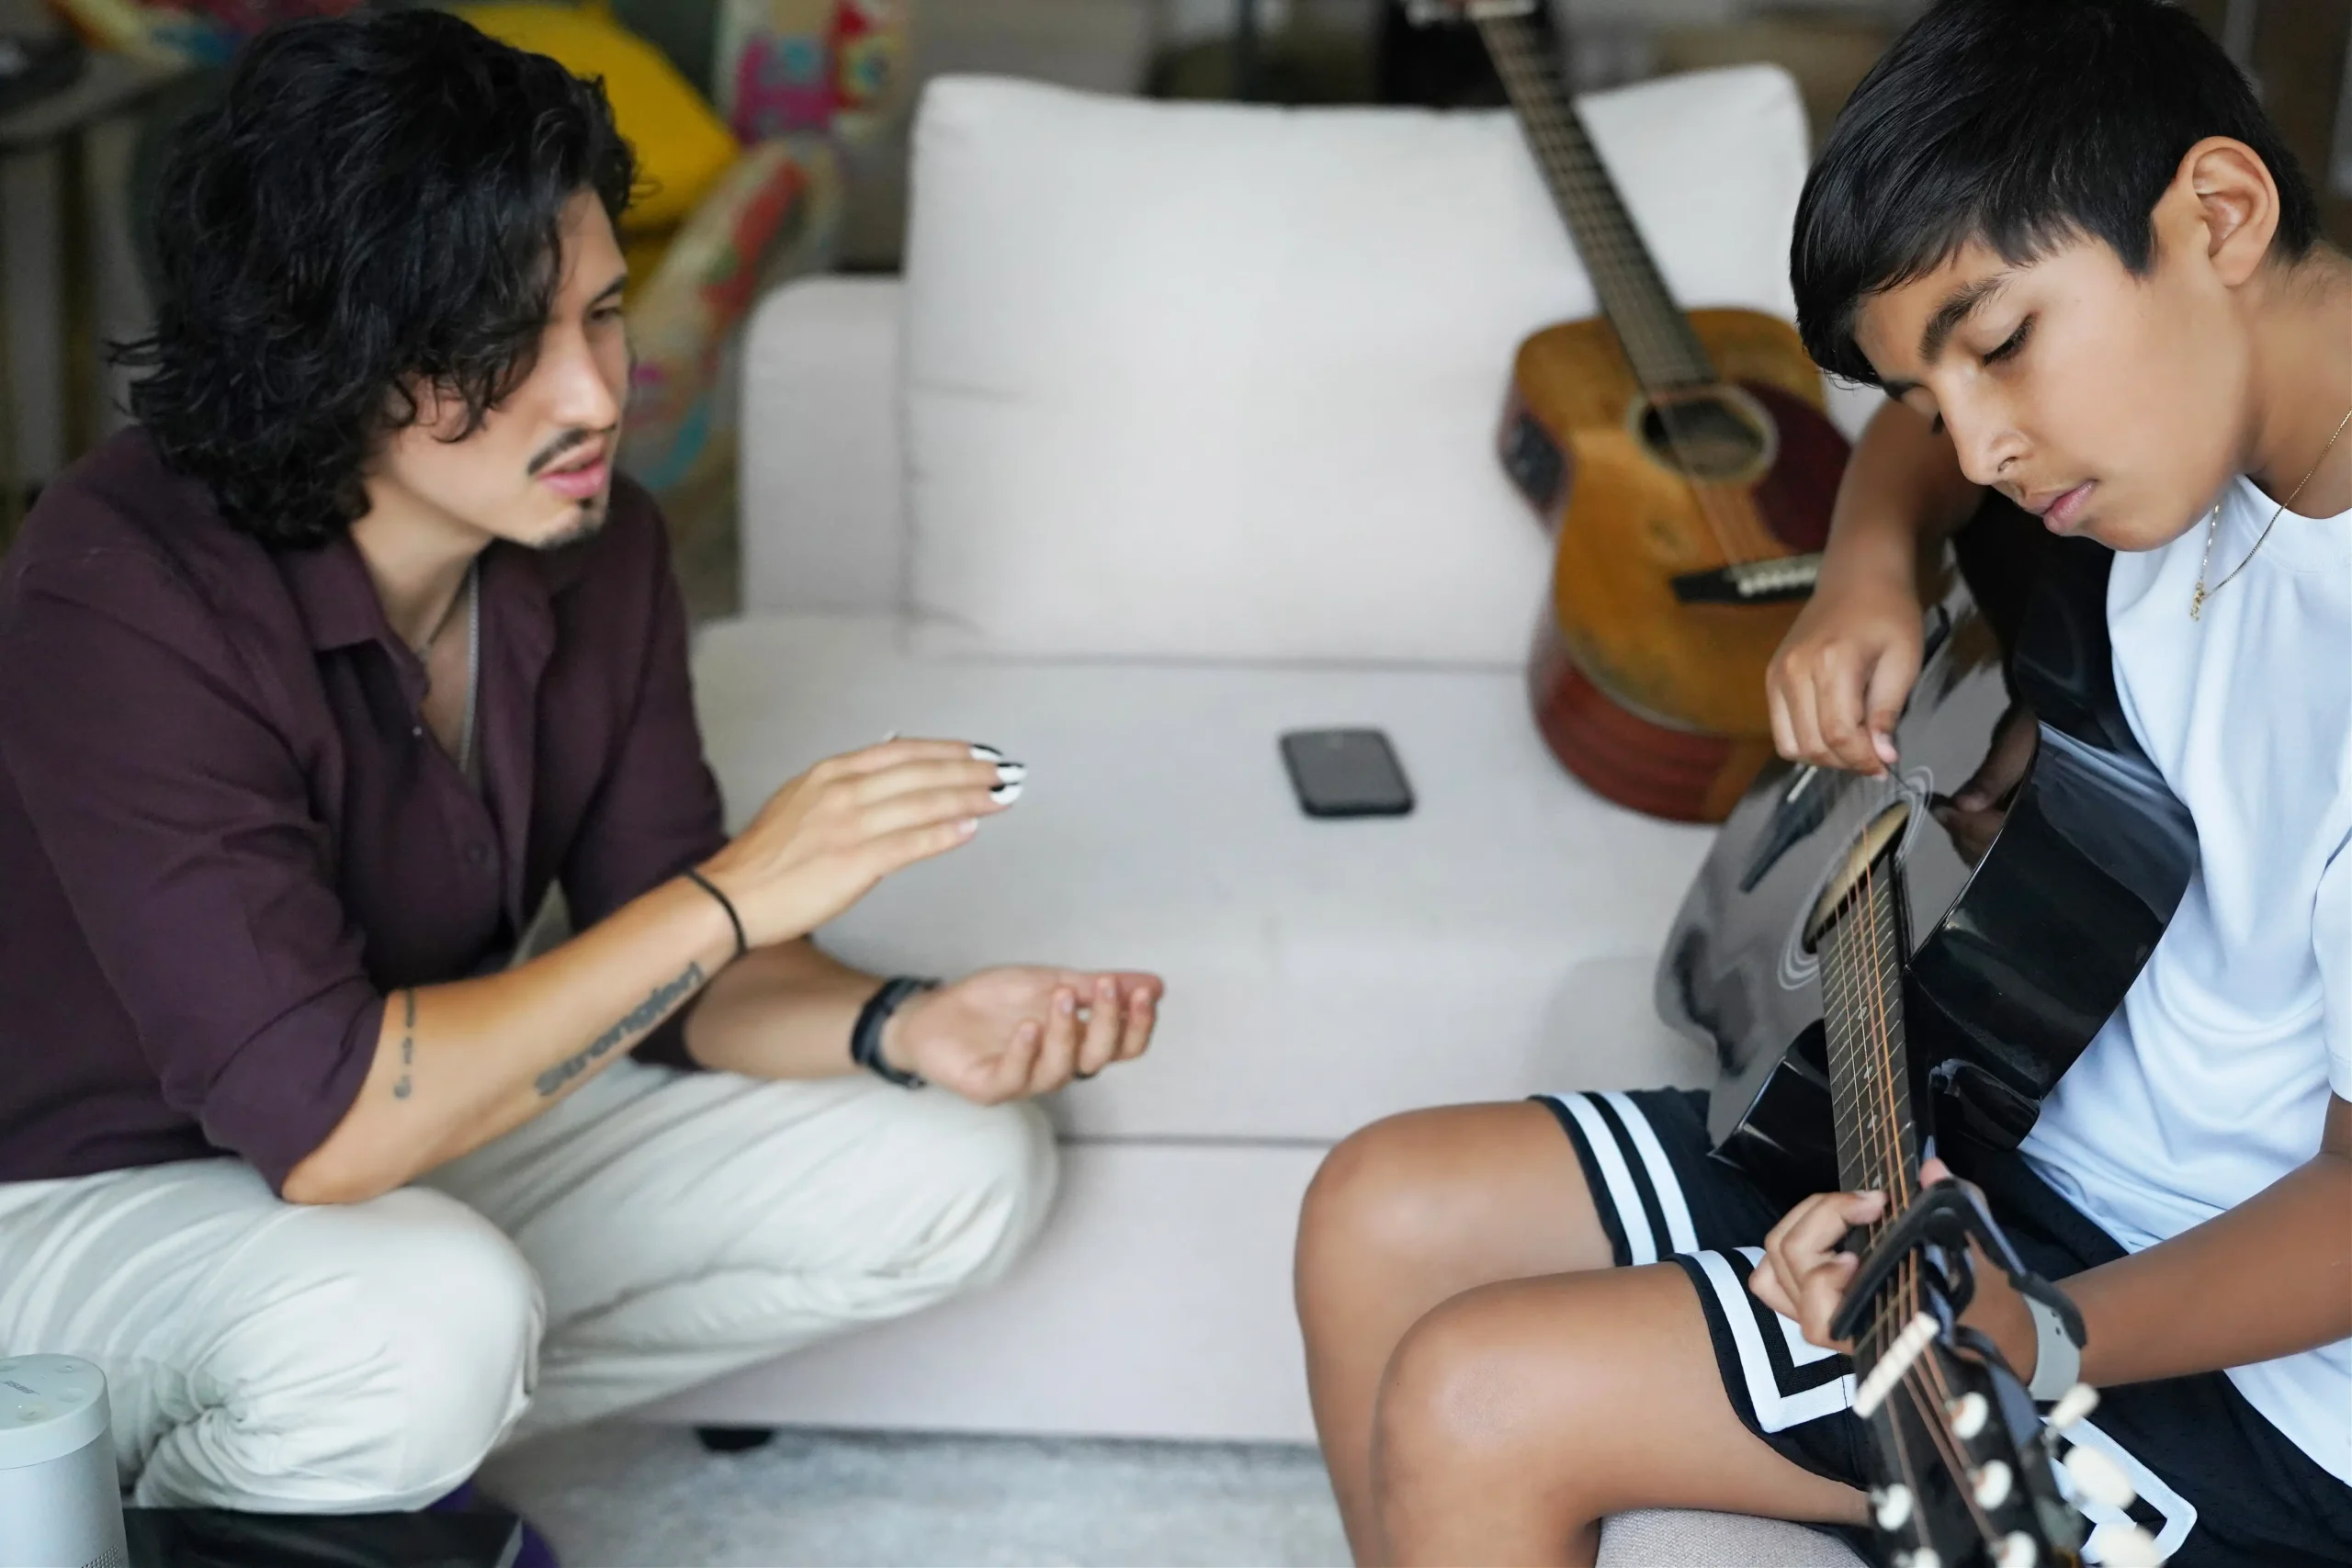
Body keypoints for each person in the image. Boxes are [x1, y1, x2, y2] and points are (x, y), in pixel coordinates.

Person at [0, 10, 1163, 1524]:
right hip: (67, 1196)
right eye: (508, 342)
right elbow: (330, 1119)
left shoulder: (592, 546)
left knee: (960, 1163)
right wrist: (737, 895)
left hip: (373, 1153)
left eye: (602, 313)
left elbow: (681, 979)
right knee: (427, 1322)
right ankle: (149, 1502)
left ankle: (346, 1449)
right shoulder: (118, 585)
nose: (597, 395)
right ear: (332, 348)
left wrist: (903, 1022)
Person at [1292, 2, 2352, 1563]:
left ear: (2220, 213)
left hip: (2250, 1376)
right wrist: (1864, 565)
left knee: (1481, 1395)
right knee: (1377, 1210)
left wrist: (2044, 1326)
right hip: (2015, 1147)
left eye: (2000, 347)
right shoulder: (2179, 432)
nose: (1979, 450)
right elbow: (1926, 449)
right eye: (1933, 394)